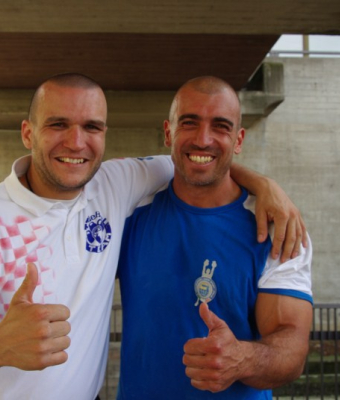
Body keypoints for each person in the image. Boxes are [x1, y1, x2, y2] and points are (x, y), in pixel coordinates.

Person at [0, 73, 306, 399]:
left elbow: (201, 162)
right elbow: (197, 157)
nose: (76, 142)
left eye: (91, 127)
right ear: (28, 134)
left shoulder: (114, 186)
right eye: (58, 124)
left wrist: (266, 186)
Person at [117, 76, 313, 399]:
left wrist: (242, 359)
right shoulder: (127, 214)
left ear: (238, 140)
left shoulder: (277, 228)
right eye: (189, 123)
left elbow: (292, 347)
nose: (203, 139)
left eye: (220, 126)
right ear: (168, 132)